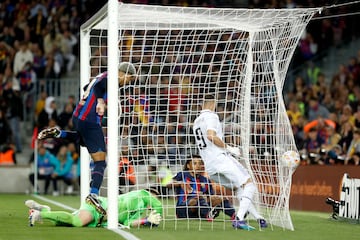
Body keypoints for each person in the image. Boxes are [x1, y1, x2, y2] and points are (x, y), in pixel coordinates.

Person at [37, 62, 136, 208]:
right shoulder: (111, 78)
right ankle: (93, 194)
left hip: (78, 116)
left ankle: (59, 133)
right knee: (101, 162)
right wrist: (101, 101)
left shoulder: (101, 75)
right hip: (90, 121)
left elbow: (86, 87)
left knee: (82, 140)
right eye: (129, 79)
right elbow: (99, 87)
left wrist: (100, 101)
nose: (128, 83)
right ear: (122, 73)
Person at [192, 94, 267, 230]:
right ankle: (238, 218)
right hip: (220, 159)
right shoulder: (212, 116)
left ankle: (259, 218)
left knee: (238, 187)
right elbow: (210, 136)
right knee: (249, 185)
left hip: (210, 166)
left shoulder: (196, 121)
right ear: (213, 103)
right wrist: (230, 148)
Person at [25, 189, 162, 228]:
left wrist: (146, 221)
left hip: (100, 219)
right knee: (78, 222)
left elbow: (127, 223)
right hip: (98, 206)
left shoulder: (139, 210)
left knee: (59, 222)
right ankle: (39, 214)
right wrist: (158, 213)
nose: (154, 201)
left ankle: (44, 209)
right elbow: (124, 204)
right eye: (154, 197)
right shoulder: (139, 195)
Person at [167, 155, 235, 221]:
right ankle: (209, 214)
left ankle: (234, 215)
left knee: (221, 198)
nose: (198, 166)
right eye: (195, 163)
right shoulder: (182, 175)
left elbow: (210, 196)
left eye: (200, 164)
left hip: (200, 209)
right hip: (183, 209)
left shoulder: (205, 180)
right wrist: (180, 183)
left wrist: (213, 198)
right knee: (196, 199)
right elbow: (167, 184)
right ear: (188, 166)